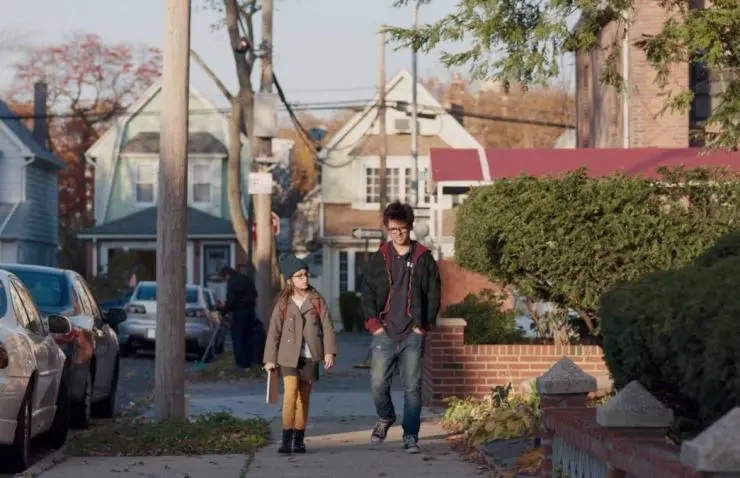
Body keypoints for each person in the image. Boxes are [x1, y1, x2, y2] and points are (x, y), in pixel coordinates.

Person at [360, 201, 441, 454]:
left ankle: (411, 436)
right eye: (393, 229)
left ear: (410, 227)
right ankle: (386, 417)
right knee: (377, 385)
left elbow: (434, 293)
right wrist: (374, 325)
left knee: (412, 388)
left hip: (412, 333)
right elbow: (367, 292)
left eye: (402, 229)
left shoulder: (423, 258)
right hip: (384, 332)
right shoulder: (379, 258)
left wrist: (423, 326)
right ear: (388, 229)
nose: (398, 234)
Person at [263, 255, 337, 455]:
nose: (305, 279)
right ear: (290, 280)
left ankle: (299, 439)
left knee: (303, 397)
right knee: (290, 393)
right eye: (300, 276)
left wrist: (329, 352)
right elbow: (274, 331)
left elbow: (327, 326)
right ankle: (286, 438)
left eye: (306, 275)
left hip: (310, 356)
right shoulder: (283, 303)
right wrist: (269, 359)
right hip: (288, 356)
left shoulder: (316, 299)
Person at [218, 265, 259, 369]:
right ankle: (249, 361)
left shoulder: (232, 283)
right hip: (250, 311)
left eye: (224, 278)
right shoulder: (246, 279)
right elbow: (255, 294)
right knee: (248, 337)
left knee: (238, 337)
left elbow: (230, 301)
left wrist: (223, 310)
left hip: (239, 312)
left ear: (227, 275)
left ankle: (241, 364)